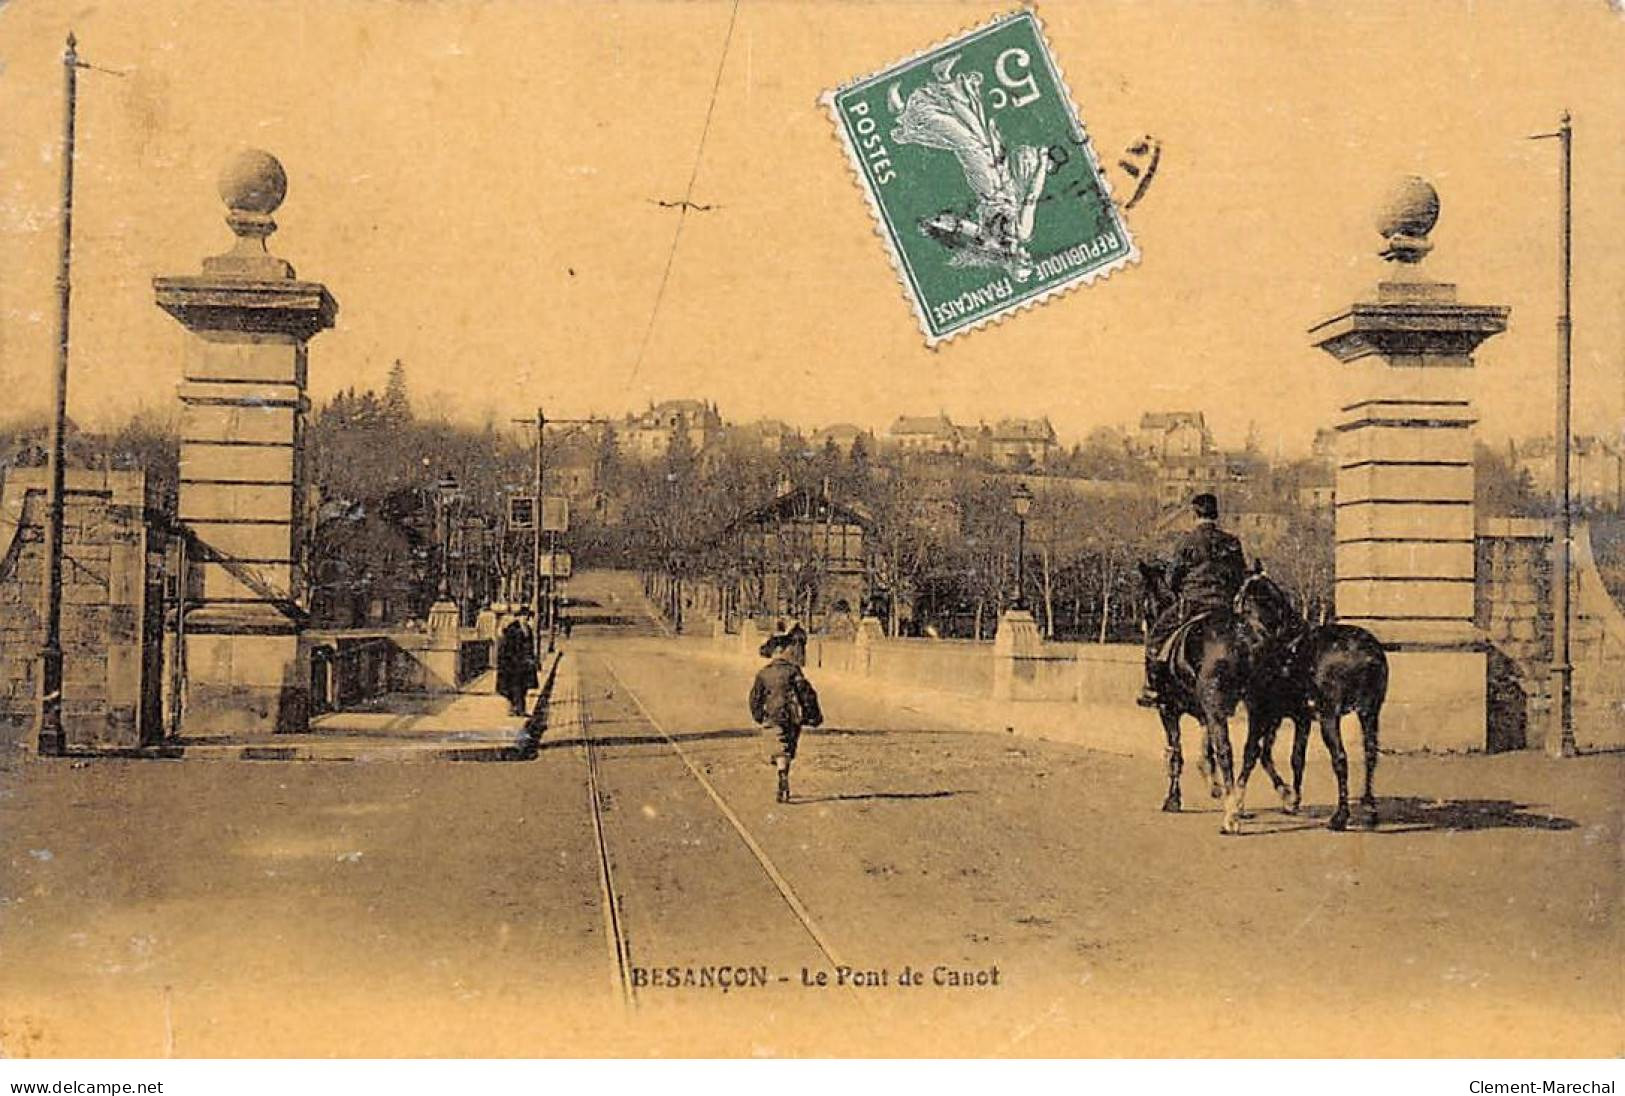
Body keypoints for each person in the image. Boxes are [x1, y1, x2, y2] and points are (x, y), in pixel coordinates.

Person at [1138, 492, 1248, 708]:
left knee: (1156, 637)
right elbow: (1240, 575)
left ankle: (1152, 687)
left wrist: (1180, 590)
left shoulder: (1187, 542)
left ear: (1195, 513)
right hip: (1224, 607)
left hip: (1193, 604)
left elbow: (1172, 578)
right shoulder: (1232, 542)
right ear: (1216, 514)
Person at [749, 632, 823, 803]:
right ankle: (784, 775)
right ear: (782, 651)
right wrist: (813, 715)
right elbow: (806, 693)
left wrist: (758, 715)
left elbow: (755, 698)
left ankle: (782, 775)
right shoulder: (794, 671)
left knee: (778, 747)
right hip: (792, 716)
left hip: (773, 715)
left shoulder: (763, 674)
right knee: (788, 748)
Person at [497, 611, 537, 717]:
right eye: (524, 616)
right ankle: (516, 709)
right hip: (513, 665)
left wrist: (531, 659)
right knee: (514, 688)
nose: (526, 619)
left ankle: (519, 709)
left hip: (524, 664)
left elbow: (529, 647)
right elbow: (508, 649)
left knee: (523, 688)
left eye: (527, 617)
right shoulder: (512, 630)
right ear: (518, 617)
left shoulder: (527, 629)